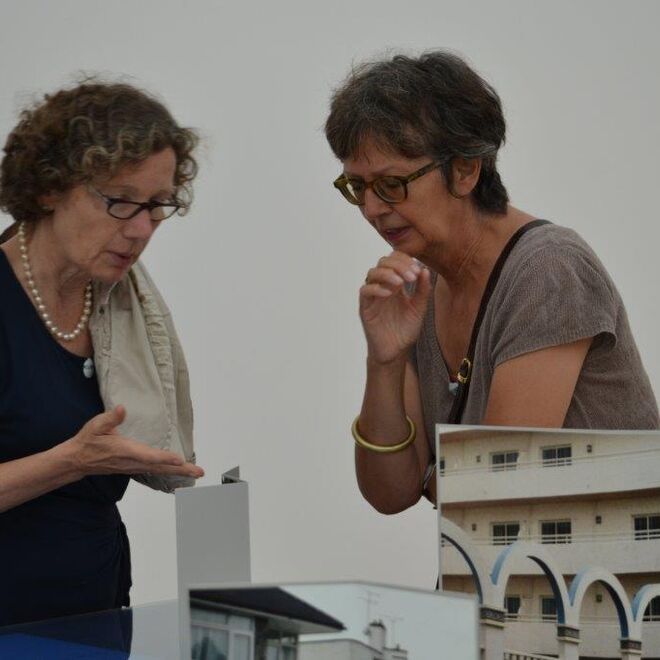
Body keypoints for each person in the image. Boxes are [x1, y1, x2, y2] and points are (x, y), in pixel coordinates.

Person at [324, 51, 659, 515]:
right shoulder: (418, 288)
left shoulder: (548, 269)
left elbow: (495, 489)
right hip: (499, 560)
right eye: (357, 187)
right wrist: (385, 361)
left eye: (392, 184)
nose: (372, 208)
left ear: (465, 169)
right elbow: (390, 494)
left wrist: (434, 476)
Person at [0, 80, 204, 626]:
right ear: (50, 186)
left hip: (96, 610)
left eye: (157, 206)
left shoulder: (120, 301)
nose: (140, 230)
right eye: (119, 201)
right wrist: (75, 461)